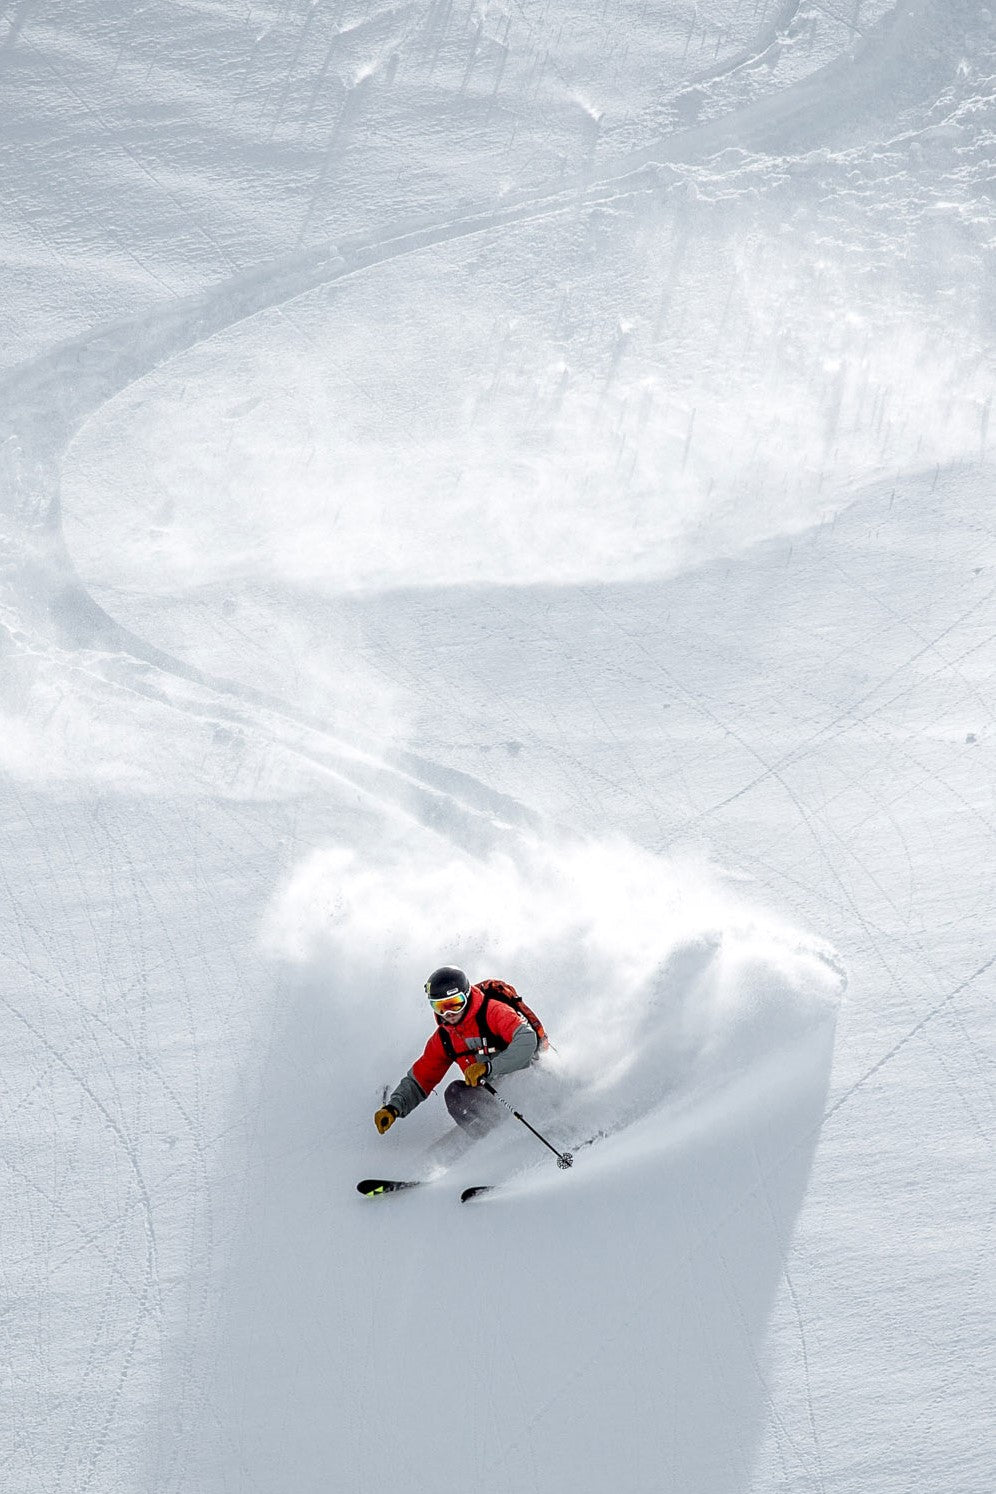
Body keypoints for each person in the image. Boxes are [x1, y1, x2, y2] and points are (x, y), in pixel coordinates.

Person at [374, 966, 544, 1138]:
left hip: (528, 1077)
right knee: (455, 1093)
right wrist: (393, 1108)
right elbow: (421, 1078)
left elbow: (527, 1041)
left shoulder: (493, 1012)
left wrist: (488, 1067)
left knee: (459, 1091)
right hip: (494, 1093)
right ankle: (491, 1136)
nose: (448, 1013)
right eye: (440, 1007)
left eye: (455, 1004)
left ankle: (514, 1124)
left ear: (467, 996)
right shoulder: (445, 1037)